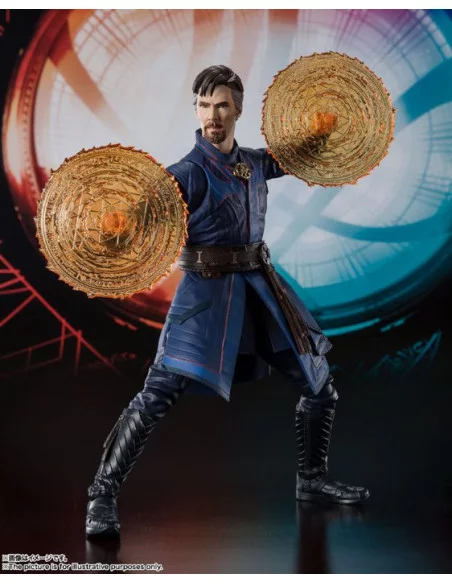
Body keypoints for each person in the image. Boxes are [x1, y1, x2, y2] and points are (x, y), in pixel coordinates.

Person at [86, 65, 369, 539]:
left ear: (238, 109)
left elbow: (293, 156)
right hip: (206, 296)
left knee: (320, 384)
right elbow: (144, 211)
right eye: (203, 105)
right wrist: (120, 221)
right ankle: (101, 493)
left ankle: (312, 480)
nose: (211, 116)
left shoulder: (254, 163)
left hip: (261, 291)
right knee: (157, 393)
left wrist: (321, 130)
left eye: (221, 105)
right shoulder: (185, 174)